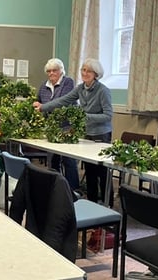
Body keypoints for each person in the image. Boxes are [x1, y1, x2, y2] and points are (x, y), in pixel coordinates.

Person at [34, 58, 113, 206]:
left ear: (96, 74)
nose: (85, 73)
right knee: (90, 170)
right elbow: (63, 100)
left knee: (102, 172)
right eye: (83, 70)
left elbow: (108, 116)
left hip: (101, 134)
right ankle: (92, 203)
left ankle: (108, 203)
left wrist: (84, 116)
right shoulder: (80, 88)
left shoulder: (103, 91)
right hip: (87, 132)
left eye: (89, 71)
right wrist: (43, 107)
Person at [33, 58, 80, 190]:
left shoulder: (68, 82)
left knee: (68, 160)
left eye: (54, 70)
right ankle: (56, 188)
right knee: (53, 160)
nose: (51, 73)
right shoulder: (44, 85)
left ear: (61, 71)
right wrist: (35, 104)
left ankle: (73, 190)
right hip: (51, 128)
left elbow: (62, 102)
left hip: (67, 126)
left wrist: (43, 106)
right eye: (49, 71)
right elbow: (38, 100)